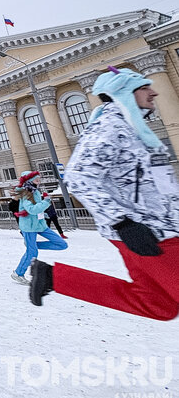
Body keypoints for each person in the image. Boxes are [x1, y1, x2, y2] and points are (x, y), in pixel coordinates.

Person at [30, 67, 179, 320]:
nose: (153, 92)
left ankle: (55, 278)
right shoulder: (110, 126)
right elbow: (78, 176)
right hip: (152, 232)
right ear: (124, 92)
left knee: (157, 304)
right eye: (144, 87)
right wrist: (123, 223)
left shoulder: (130, 126)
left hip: (161, 228)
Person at [11, 172, 67, 285]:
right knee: (32, 253)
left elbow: (37, 208)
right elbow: (31, 209)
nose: (39, 181)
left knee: (62, 244)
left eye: (39, 179)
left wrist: (44, 208)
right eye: (37, 179)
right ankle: (18, 273)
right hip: (29, 226)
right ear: (30, 180)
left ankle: (32, 246)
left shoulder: (35, 191)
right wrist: (46, 202)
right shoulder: (26, 193)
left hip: (40, 225)